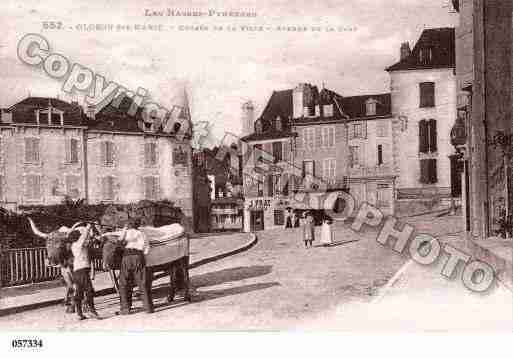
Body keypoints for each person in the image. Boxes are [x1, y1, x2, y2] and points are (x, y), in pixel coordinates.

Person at [117, 218, 154, 315]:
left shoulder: (126, 232)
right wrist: (142, 256)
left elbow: (119, 241)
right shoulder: (142, 234)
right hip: (138, 256)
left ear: (128, 225)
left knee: (124, 283)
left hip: (126, 257)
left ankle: (125, 308)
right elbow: (147, 248)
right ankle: (148, 308)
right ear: (137, 225)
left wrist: (124, 230)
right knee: (142, 282)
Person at [70, 223, 101, 320]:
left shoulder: (75, 245)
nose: (80, 236)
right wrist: (88, 226)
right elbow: (84, 237)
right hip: (82, 271)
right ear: (77, 237)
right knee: (89, 290)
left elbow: (86, 240)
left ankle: (79, 313)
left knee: (79, 292)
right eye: (79, 235)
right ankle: (92, 311)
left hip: (77, 271)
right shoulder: (78, 244)